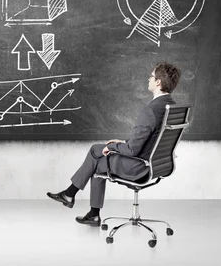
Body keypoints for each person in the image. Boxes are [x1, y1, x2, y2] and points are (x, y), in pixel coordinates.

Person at [46, 62, 181, 227]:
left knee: (97, 153)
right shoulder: (172, 107)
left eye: (151, 76)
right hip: (159, 165)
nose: (149, 79)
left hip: (139, 167)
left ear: (158, 82)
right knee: (97, 160)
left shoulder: (150, 110)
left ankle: (71, 196)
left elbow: (132, 150)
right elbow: (152, 140)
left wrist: (111, 147)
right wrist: (122, 142)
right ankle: (87, 209)